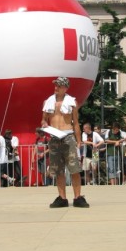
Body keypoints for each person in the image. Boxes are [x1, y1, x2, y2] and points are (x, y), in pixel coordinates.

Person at [41, 77, 89, 208]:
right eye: (55, 85)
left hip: (68, 136)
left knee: (74, 169)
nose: (56, 87)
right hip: (54, 138)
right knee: (58, 171)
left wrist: (79, 141)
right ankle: (62, 198)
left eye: (59, 85)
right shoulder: (48, 102)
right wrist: (44, 123)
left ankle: (78, 197)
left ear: (65, 88)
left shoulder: (72, 102)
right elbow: (43, 120)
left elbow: (76, 123)